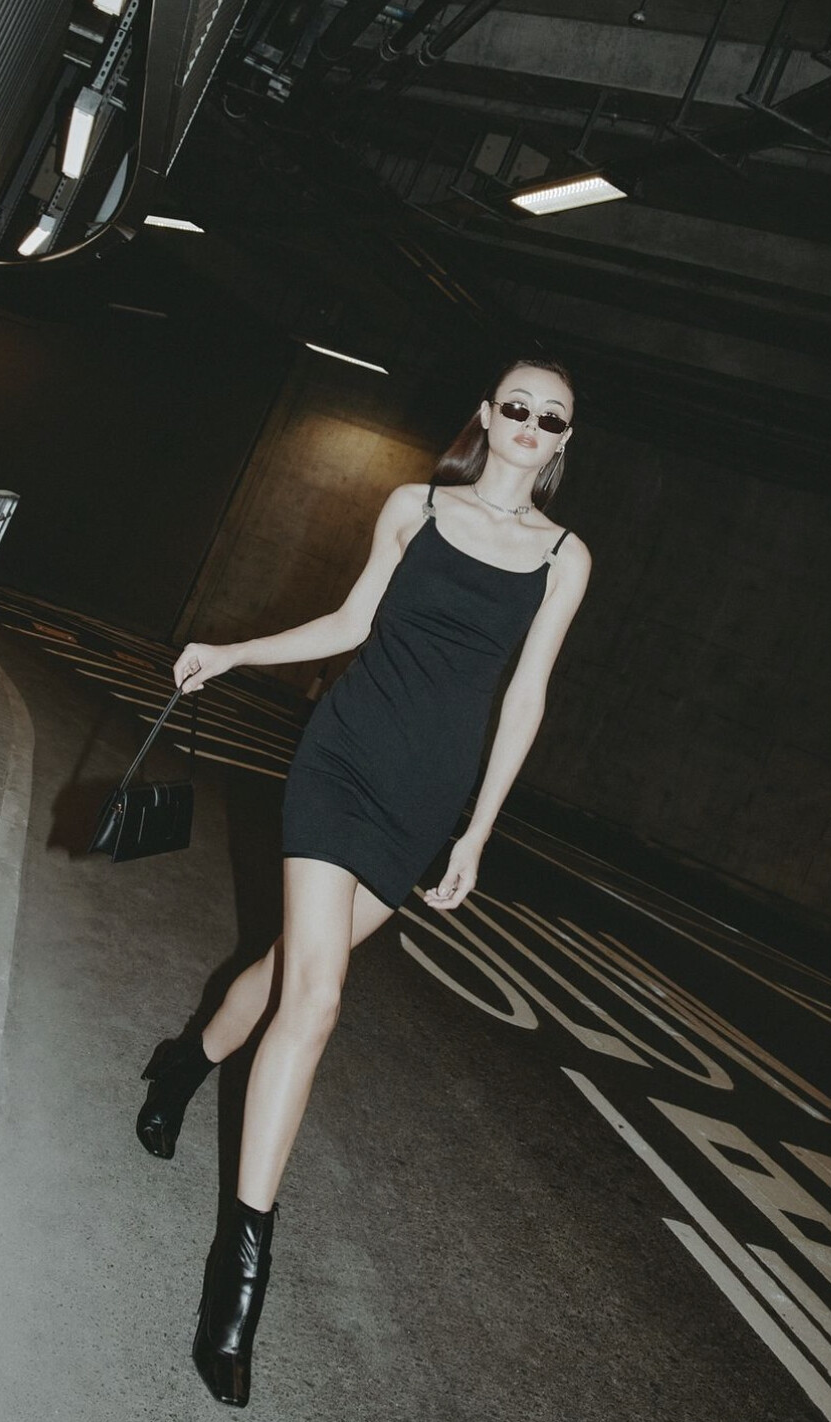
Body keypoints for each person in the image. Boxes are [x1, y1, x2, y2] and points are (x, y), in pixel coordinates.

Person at [143, 358, 592, 1407]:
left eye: (551, 417)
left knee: (286, 968)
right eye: (516, 407)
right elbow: (350, 625)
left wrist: (478, 831)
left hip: (423, 801)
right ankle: (236, 1286)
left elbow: (525, 698)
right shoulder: (414, 507)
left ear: (564, 440)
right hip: (342, 761)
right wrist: (233, 652)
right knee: (318, 998)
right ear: (486, 416)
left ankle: (181, 1065)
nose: (530, 424)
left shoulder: (564, 557)